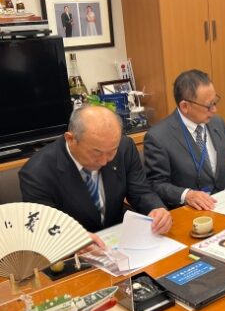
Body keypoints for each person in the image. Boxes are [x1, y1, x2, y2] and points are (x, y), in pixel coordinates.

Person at [19, 106, 172, 247]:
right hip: (72, 253)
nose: (104, 161)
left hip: (120, 241)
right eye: (96, 152)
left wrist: (157, 209)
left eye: (112, 151)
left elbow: (141, 191)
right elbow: (44, 226)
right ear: (70, 139)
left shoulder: (125, 147)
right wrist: (75, 239)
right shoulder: (37, 172)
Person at [143, 69, 225, 210]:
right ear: (185, 106)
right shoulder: (158, 137)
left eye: (215, 102)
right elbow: (156, 184)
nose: (214, 110)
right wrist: (186, 195)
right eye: (208, 105)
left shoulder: (217, 123)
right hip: (191, 213)